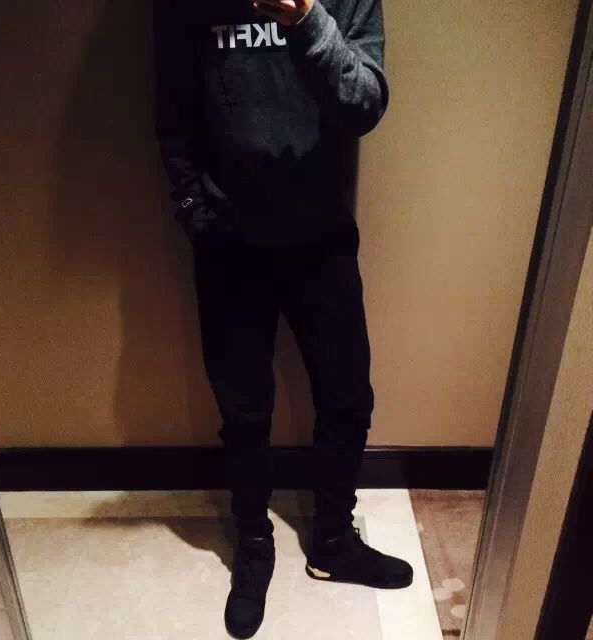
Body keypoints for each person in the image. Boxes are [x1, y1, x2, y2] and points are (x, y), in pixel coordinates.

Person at [153, 0, 413, 636]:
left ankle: (332, 541)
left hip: (321, 238)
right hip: (228, 242)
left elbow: (364, 107)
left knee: (348, 398)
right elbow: (173, 111)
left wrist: (305, 21)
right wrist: (194, 212)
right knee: (244, 411)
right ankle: (253, 547)